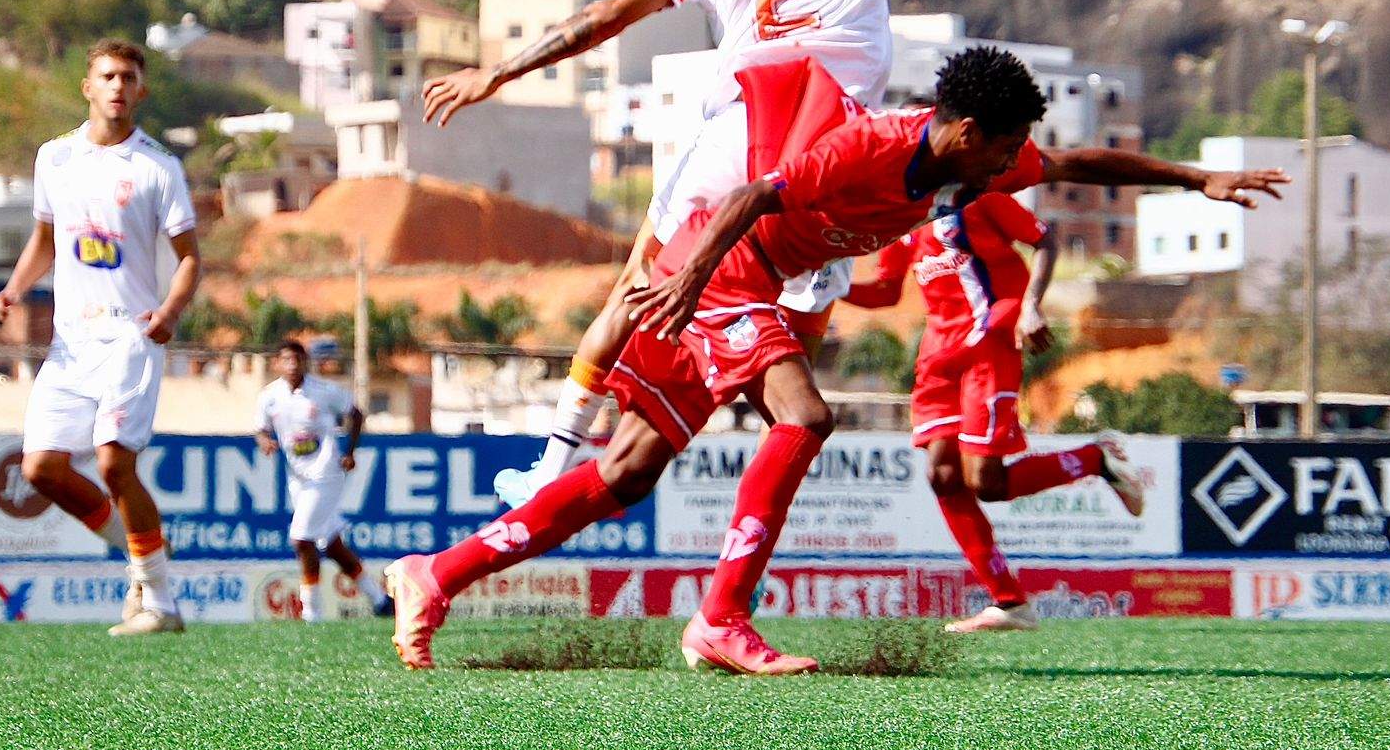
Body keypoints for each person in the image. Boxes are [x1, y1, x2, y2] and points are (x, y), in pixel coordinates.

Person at [386, 48, 1289, 672]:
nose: (1017, 162)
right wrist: (691, 280)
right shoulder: (870, 148)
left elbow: (1083, 162)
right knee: (808, 416)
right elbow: (751, 194)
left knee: (625, 474)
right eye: (1007, 145)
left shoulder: (972, 166)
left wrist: (1192, 179)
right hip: (721, 270)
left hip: (740, 282)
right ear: (966, 128)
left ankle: (436, 575)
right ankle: (720, 622)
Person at [419, 0, 986, 507]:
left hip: (739, 132)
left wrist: (500, 73)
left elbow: (604, 18)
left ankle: (553, 461)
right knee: (802, 303)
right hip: (832, 144)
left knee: (635, 282)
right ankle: (775, 475)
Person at [0, 39, 201, 635]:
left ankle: (161, 603)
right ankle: (139, 558)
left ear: (141, 90)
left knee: (113, 463)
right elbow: (45, 240)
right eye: (106, 75)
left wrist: (170, 311)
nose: (117, 86)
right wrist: (12, 289)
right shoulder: (54, 158)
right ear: (87, 87)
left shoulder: (159, 166)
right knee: (40, 470)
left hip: (131, 339)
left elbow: (189, 258)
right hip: (68, 344)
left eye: (128, 77)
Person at [845, 192, 1094, 632]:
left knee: (986, 482)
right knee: (942, 476)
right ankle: (1009, 602)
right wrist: (824, 287)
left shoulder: (979, 197)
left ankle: (1097, 458)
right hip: (938, 358)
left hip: (990, 342)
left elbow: (1045, 241)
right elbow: (885, 290)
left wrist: (1030, 306)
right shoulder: (899, 215)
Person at [255, 339, 392, 622]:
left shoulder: (323, 391)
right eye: (286, 360)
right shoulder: (269, 396)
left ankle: (311, 613)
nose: (293, 365)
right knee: (331, 545)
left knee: (300, 539)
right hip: (298, 479)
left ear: (306, 362)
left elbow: (355, 413)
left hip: (326, 473)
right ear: (277, 364)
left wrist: (350, 452)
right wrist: (264, 441)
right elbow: (260, 429)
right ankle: (381, 601)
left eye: (298, 359)